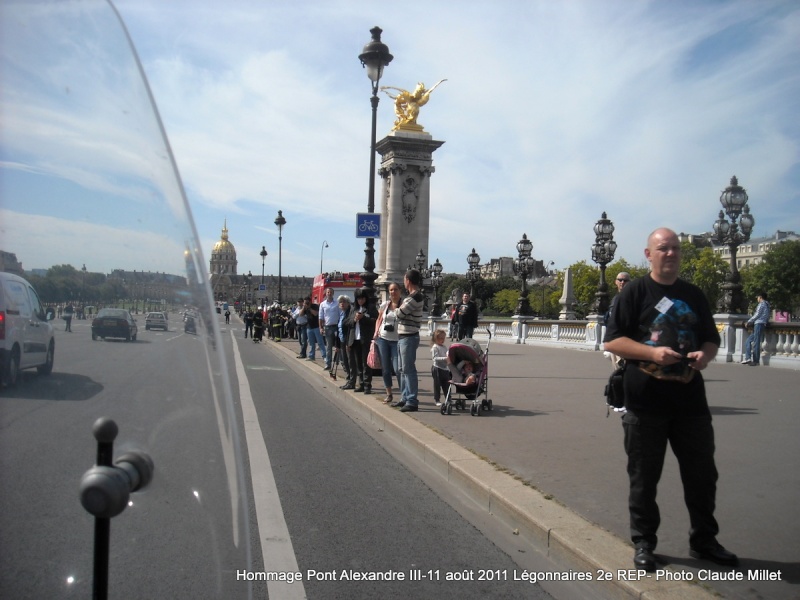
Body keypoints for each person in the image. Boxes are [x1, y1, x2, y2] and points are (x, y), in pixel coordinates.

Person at [604, 227, 738, 572]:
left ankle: (704, 541)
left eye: (675, 248)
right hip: (645, 402)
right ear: (649, 254)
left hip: (691, 401)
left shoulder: (693, 294)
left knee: (702, 475)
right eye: (663, 248)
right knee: (644, 478)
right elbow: (613, 342)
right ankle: (645, 543)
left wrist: (705, 356)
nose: (671, 253)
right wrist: (652, 352)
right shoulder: (634, 292)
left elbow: (710, 339)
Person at [391, 269, 425, 412]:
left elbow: (399, 314)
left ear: (408, 281)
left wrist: (395, 306)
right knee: (401, 369)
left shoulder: (414, 297)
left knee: (408, 369)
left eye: (404, 279)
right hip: (403, 336)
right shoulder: (412, 297)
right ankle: (405, 398)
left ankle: (411, 400)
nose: (403, 282)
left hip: (409, 337)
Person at [343, 289, 377, 394]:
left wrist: (363, 318)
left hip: (365, 338)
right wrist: (354, 319)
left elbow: (375, 321)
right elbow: (346, 322)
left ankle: (367, 385)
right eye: (358, 299)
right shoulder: (354, 309)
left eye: (362, 298)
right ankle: (361, 384)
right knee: (358, 363)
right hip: (355, 339)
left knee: (366, 363)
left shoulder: (370, 308)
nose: (360, 301)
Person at [374, 282, 403, 404]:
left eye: (395, 289)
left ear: (400, 291)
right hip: (383, 339)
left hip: (397, 340)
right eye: (391, 290)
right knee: (385, 369)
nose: (393, 292)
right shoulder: (385, 305)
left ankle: (404, 395)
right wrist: (376, 332)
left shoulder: (403, 306)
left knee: (397, 369)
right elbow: (379, 319)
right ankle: (389, 393)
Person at [604, 272, 632, 372]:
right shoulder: (615, 299)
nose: (622, 282)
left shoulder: (633, 298)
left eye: (625, 280)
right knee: (618, 371)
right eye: (620, 280)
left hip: (629, 337)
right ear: (616, 282)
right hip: (616, 337)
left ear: (629, 283)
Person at [742, 292, 770, 366]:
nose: (757, 299)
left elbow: (757, 314)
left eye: (758, 297)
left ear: (760, 297)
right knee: (749, 341)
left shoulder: (761, 304)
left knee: (756, 343)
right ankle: (748, 358)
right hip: (762, 324)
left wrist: (749, 321)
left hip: (758, 324)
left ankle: (756, 360)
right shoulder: (767, 304)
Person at [319, 288, 340, 372]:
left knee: (338, 346)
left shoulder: (337, 303)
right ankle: (328, 364)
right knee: (328, 347)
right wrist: (320, 327)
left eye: (331, 292)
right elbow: (320, 317)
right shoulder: (322, 304)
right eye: (328, 292)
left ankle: (339, 363)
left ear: (333, 293)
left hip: (336, 327)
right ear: (326, 294)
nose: (329, 293)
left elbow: (340, 315)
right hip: (327, 327)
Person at [430, 329, 451, 407]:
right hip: (437, 368)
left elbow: (447, 354)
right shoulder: (435, 347)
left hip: (445, 369)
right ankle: (437, 399)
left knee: (447, 384)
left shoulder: (444, 347)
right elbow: (435, 358)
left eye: (443, 338)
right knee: (437, 385)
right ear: (436, 338)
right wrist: (444, 358)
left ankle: (448, 399)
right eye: (441, 338)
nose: (443, 340)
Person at [305, 298, 326, 363]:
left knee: (320, 342)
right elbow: (300, 314)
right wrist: (304, 307)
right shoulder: (305, 308)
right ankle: (311, 356)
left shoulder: (315, 306)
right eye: (305, 303)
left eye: (307, 302)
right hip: (309, 327)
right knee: (311, 343)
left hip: (316, 327)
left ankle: (324, 356)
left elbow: (316, 314)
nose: (306, 304)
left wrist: (309, 308)